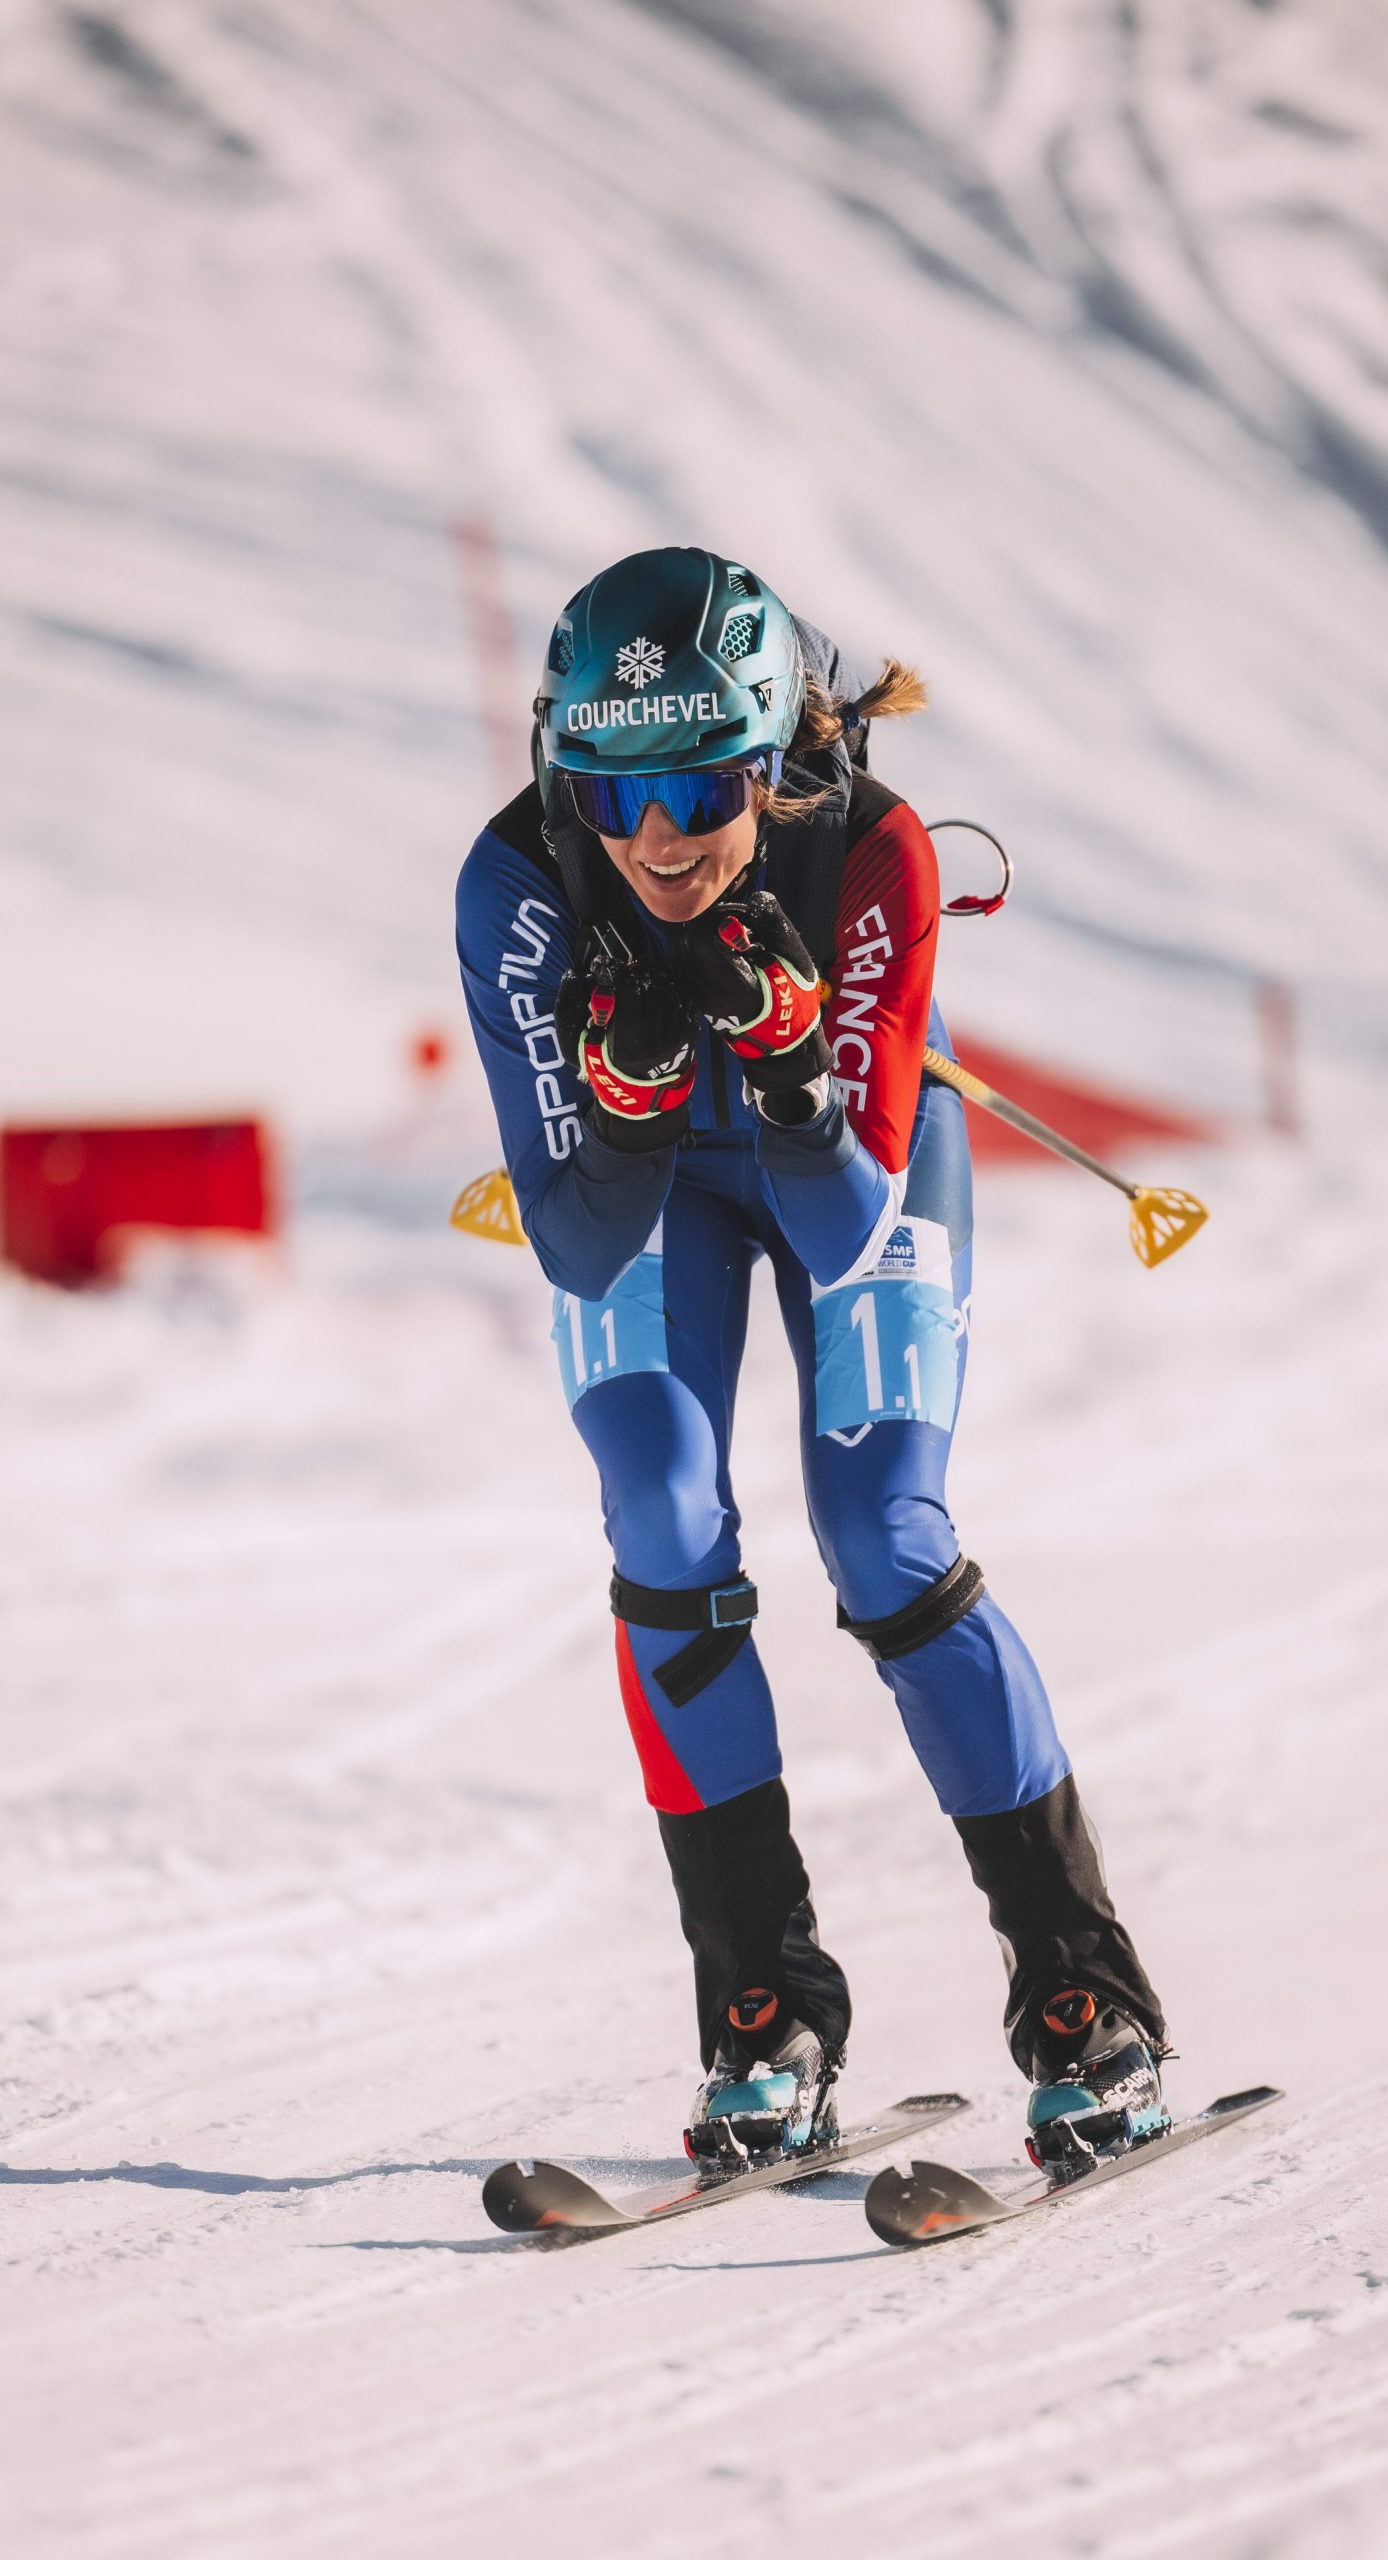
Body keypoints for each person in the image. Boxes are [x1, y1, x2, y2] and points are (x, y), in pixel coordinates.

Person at [456, 546, 1170, 2173]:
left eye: (700, 787)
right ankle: (760, 2009)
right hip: (658, 1198)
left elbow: (849, 1223)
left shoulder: (874, 852)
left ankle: (1082, 1990)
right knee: (659, 1508)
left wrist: (783, 1063)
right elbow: (571, 1239)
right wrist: (633, 1104)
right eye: (613, 792)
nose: (657, 841)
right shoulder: (514, 885)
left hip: (852, 1164)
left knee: (883, 1532)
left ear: (768, 762)